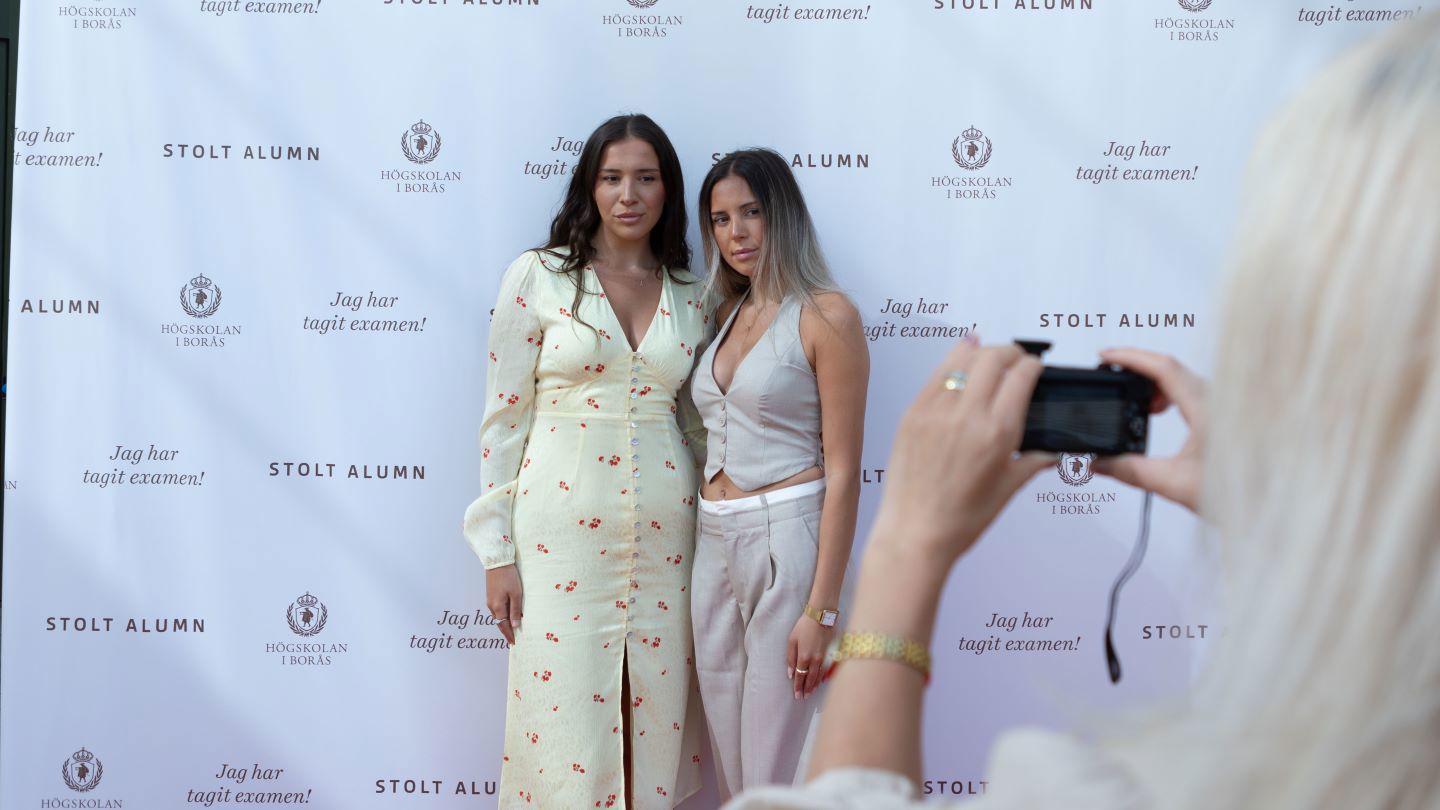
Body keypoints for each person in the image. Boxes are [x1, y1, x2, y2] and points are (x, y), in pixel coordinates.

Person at [729, 13, 1440, 810]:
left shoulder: (1136, 787)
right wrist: (1297, 520)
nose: (735, 232)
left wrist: (901, 553)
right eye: (719, 217)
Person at [462, 113, 708, 809]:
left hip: (668, 541)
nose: (629, 195)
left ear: (667, 189)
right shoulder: (539, 276)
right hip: (558, 539)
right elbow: (504, 418)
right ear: (589, 188)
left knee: (652, 714)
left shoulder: (693, 293)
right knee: (564, 722)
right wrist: (496, 552)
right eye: (612, 178)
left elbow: (699, 425)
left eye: (646, 178)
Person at [689, 148, 870, 799]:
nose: (736, 232)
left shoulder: (827, 314)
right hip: (712, 543)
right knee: (733, 771)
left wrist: (822, 608)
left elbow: (844, 472)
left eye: (751, 213)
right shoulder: (724, 316)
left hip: (786, 541)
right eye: (720, 219)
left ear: (783, 215)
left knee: (777, 761)